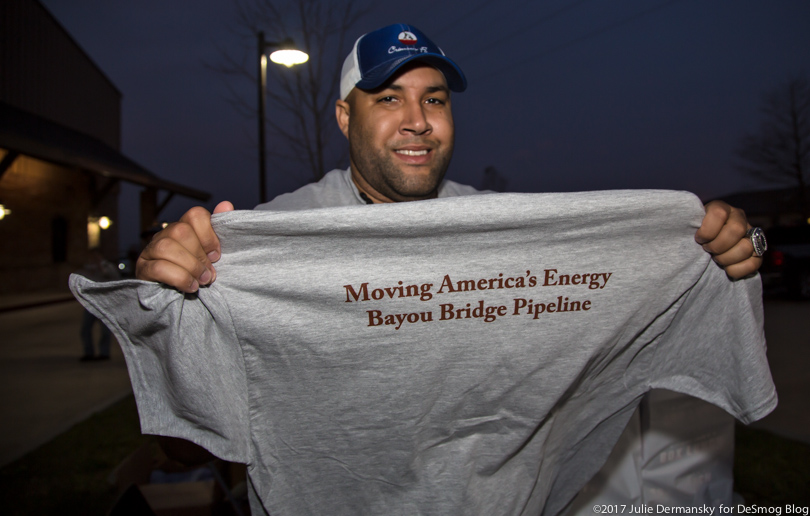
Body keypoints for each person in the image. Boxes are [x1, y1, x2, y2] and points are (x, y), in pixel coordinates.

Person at [132, 23, 766, 511]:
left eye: (434, 99)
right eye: (388, 98)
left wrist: (722, 245)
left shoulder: (501, 234)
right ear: (345, 117)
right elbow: (182, 446)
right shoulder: (271, 245)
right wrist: (169, 302)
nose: (417, 121)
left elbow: (632, 274)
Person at [77, 248, 120, 360]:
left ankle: (104, 353)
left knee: (105, 330)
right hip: (91, 302)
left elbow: (115, 279)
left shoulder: (108, 266)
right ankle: (88, 353)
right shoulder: (88, 268)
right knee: (85, 329)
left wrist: (101, 268)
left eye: (96, 256)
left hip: (105, 302)